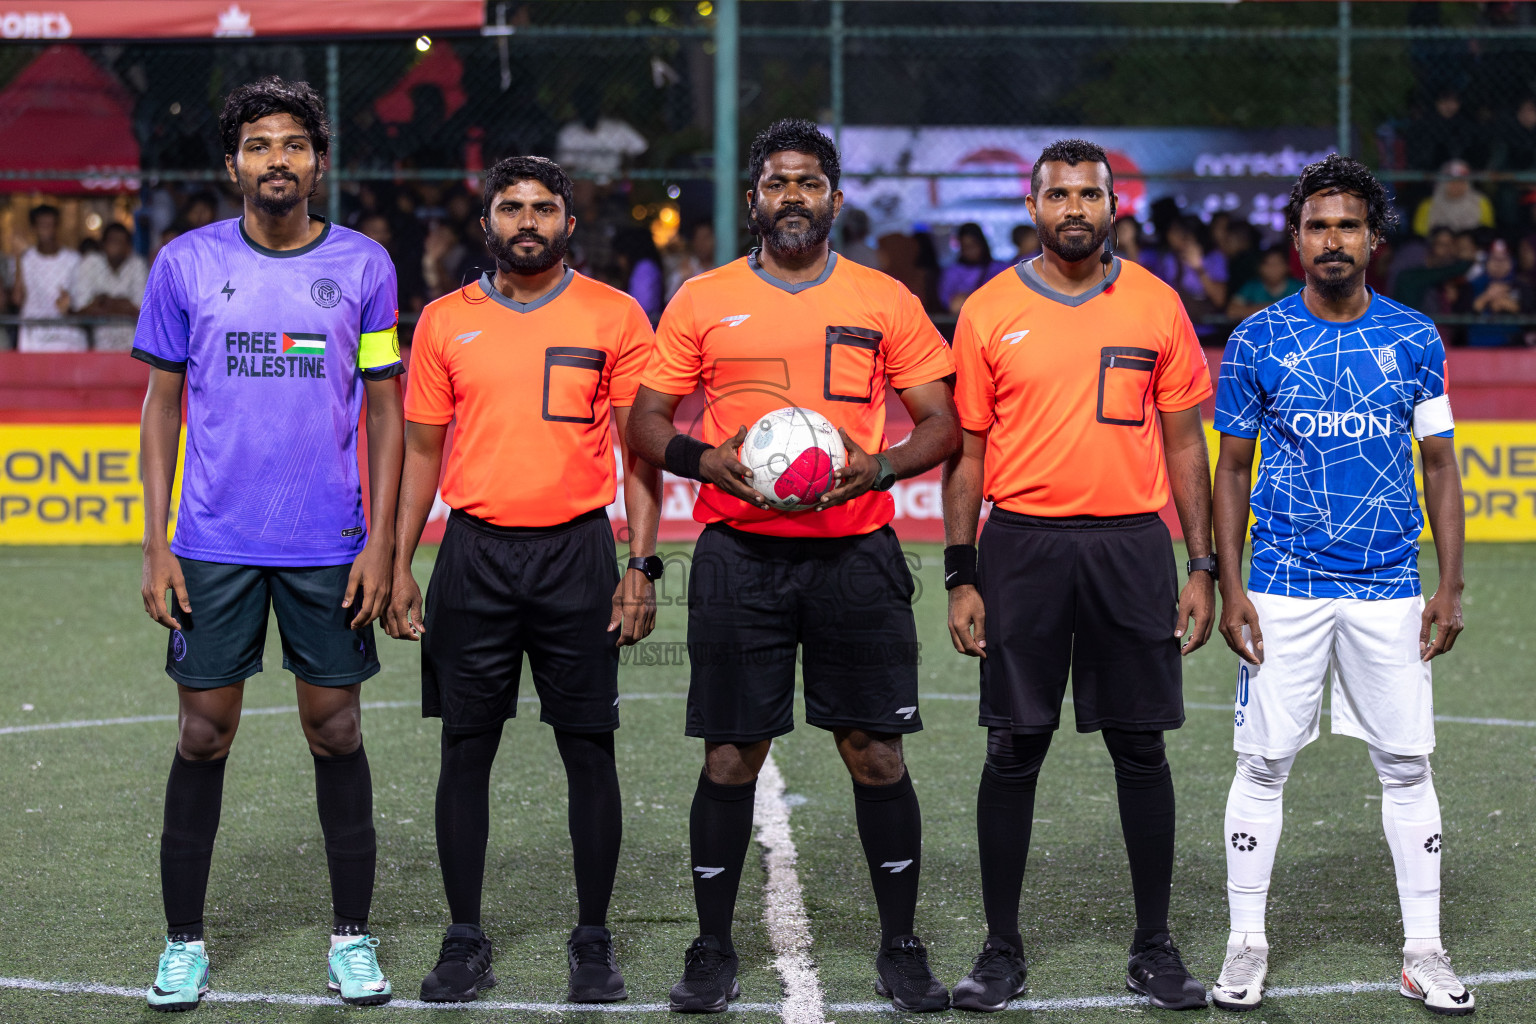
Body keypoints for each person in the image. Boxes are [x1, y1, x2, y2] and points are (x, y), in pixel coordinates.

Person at [626, 118, 961, 1014]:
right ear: (753, 200)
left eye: (809, 183)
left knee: (876, 754)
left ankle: (900, 947)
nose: (793, 197)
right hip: (739, 556)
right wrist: (705, 460)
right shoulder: (702, 299)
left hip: (858, 554)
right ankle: (709, 949)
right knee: (732, 754)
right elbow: (646, 424)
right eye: (777, 183)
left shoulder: (883, 298)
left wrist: (879, 463)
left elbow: (941, 423)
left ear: (835, 199)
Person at [132, 76, 404, 1011]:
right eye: (259, 144)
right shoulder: (185, 264)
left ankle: (352, 938)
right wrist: (158, 544)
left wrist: (380, 544)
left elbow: (384, 412)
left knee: (336, 729)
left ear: (318, 162)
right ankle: (183, 944)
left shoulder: (366, 266)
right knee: (203, 734)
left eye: (293, 143)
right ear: (232, 163)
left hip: (328, 541)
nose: (277, 159)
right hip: (212, 540)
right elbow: (162, 404)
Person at [942, 138, 1214, 1013]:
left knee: (1141, 745)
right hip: (1021, 547)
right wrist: (960, 573)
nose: (1074, 209)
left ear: (1112, 205)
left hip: (1132, 546)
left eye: (1089, 195)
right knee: (1014, 747)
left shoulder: (1158, 305)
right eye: (1057, 194)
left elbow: (1183, 445)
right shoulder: (986, 310)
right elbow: (967, 454)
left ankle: (1154, 947)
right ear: (1033, 207)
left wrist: (1201, 563)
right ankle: (1001, 950)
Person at [385, 156, 662, 1005]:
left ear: (570, 223)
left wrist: (640, 564)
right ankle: (464, 939)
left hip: (578, 554)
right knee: (465, 750)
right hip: (473, 555)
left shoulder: (616, 314)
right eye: (512, 207)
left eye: (545, 207)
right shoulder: (441, 321)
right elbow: (422, 452)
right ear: (488, 222)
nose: (528, 220)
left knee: (589, 750)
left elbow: (641, 454)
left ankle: (592, 940)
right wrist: (400, 562)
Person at [1210, 154, 1473, 1015]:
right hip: (1282, 581)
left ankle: (1423, 949)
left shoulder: (1413, 337)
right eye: (1318, 225)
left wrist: (1451, 584)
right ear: (1296, 239)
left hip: (1390, 584)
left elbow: (1439, 463)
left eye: (1348, 225)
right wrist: (1229, 585)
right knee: (1263, 762)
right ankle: (1246, 942)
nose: (1333, 239)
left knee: (1405, 764)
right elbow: (1230, 471)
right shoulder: (1255, 338)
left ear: (1374, 239)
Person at [14, 204, 87, 352]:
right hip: (33, 331)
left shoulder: (73, 260)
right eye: (42, 225)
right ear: (34, 228)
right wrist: (18, 259)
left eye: (51, 225)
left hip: (66, 331)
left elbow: (82, 301)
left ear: (57, 227)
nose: (48, 230)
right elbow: (17, 298)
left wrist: (68, 304)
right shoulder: (26, 259)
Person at [72, 222, 149, 351]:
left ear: (129, 247)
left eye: (120, 242)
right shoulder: (90, 262)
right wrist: (124, 303)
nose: (115, 246)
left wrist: (103, 301)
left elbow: (140, 312)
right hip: (96, 342)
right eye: (112, 241)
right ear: (102, 245)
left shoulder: (138, 264)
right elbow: (82, 310)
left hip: (131, 341)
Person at [1466, 238, 1532, 347]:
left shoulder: (1522, 286)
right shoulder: (1473, 285)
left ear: (1511, 262)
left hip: (1514, 348)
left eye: (1503, 260)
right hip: (1475, 348)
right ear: (1486, 262)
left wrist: (1512, 306)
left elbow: (1531, 319)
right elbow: (1457, 321)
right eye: (1494, 259)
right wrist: (1486, 297)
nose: (1498, 264)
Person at [939, 223, 1011, 313]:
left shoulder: (1000, 269)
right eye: (965, 246)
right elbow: (947, 301)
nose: (970, 250)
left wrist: (971, 299)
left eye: (973, 244)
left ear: (982, 243)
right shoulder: (952, 272)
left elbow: (1007, 295)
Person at [1413, 160, 1495, 237]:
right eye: (1451, 181)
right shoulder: (1428, 205)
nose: (1457, 185)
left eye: (1461, 181)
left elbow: (1487, 233)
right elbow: (1420, 236)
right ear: (1442, 183)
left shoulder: (1481, 202)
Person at [1226, 246, 1301, 320]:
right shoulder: (1252, 287)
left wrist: (1251, 310)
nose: (1273, 268)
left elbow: (1304, 311)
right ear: (1260, 268)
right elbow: (1232, 311)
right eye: (1268, 264)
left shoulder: (1299, 288)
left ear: (1287, 267)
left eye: (1277, 263)